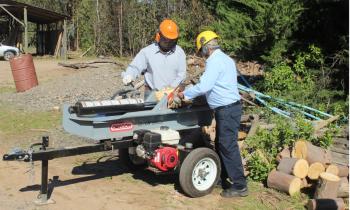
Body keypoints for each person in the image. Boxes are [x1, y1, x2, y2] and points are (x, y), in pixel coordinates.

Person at [177, 31, 248, 198]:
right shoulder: (226, 59)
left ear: (206, 47)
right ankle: (221, 178)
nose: (201, 53)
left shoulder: (214, 61)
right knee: (221, 144)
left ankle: (240, 185)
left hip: (227, 109)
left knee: (227, 146)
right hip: (228, 108)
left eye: (201, 49)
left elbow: (205, 86)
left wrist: (185, 94)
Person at [121, 19, 186, 99]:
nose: (168, 43)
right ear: (158, 36)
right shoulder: (147, 52)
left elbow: (181, 75)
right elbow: (135, 67)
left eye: (172, 41)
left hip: (173, 94)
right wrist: (129, 75)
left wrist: (170, 89)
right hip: (152, 95)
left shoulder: (179, 53)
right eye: (165, 40)